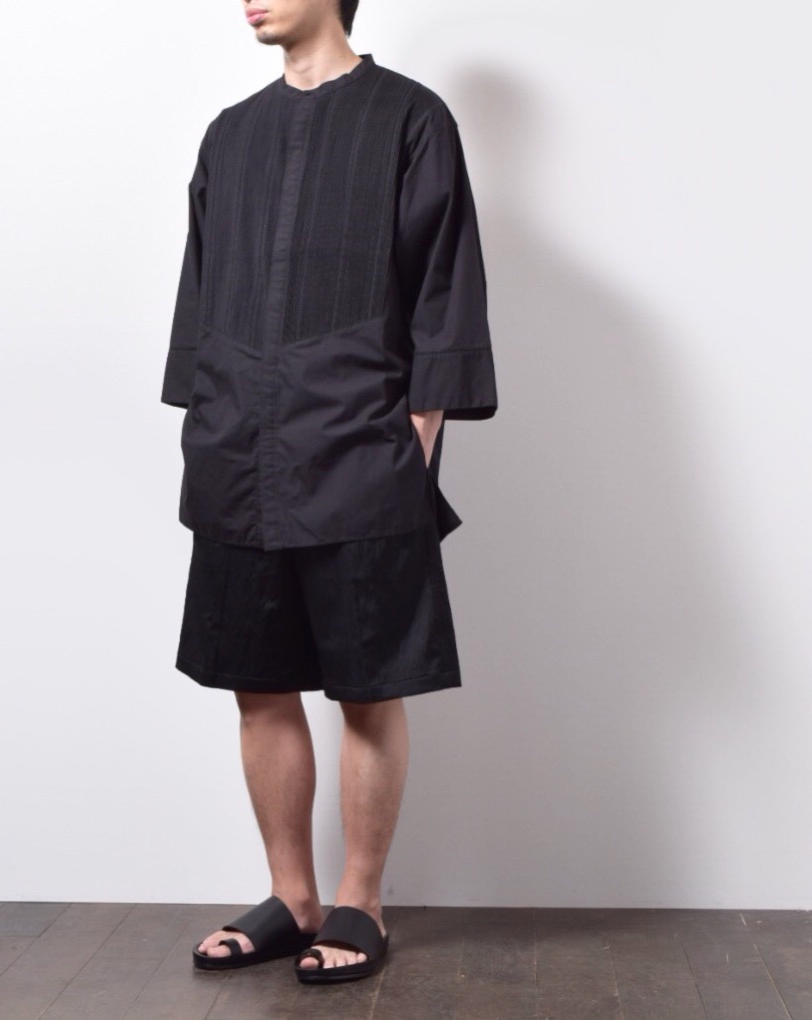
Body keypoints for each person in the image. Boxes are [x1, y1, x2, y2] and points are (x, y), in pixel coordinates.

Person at [161, 0, 498, 985]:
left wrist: (414, 444)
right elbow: (199, 286)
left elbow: (444, 286)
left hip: (359, 448)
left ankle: (361, 900)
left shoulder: (411, 118)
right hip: (237, 448)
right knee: (255, 683)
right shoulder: (230, 134)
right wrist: (205, 420)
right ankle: (292, 897)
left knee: (366, 684)